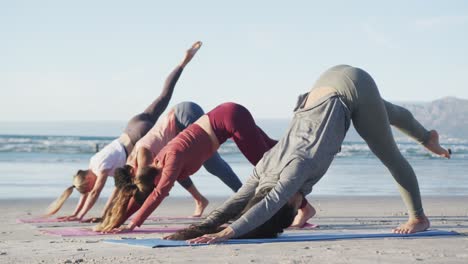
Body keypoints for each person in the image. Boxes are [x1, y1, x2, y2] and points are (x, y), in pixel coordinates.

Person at [167, 64, 451, 243]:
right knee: (381, 111)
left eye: (292, 208)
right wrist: (198, 229)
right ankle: (427, 137)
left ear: (289, 203)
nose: (300, 202)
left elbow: (267, 205)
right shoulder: (265, 165)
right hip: (326, 82)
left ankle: (419, 218)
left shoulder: (294, 171)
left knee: (388, 154)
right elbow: (237, 201)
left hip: (349, 87)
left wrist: (227, 233)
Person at [45, 41, 203, 221]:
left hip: (139, 136)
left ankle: (195, 197)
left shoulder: (101, 170)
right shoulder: (93, 163)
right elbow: (90, 191)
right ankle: (183, 62)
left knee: (168, 164)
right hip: (133, 125)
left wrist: (87, 216)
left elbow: (99, 191)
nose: (91, 190)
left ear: (88, 180)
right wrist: (77, 213)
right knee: (163, 96)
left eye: (88, 188)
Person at [94, 102, 279, 232]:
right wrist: (119, 221)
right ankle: (303, 145)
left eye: (160, 186)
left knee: (265, 166)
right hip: (225, 116)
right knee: (275, 148)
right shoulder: (161, 163)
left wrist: (134, 223)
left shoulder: (171, 160)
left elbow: (158, 193)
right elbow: (149, 193)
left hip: (230, 118)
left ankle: (302, 207)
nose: (165, 190)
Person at [120, 101, 243, 217]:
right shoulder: (136, 162)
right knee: (177, 170)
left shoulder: (143, 156)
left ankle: (244, 196)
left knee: (212, 164)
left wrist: (122, 219)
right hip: (182, 116)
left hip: (183, 115)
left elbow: (148, 191)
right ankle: (200, 200)